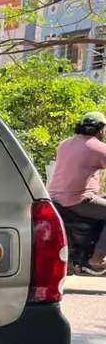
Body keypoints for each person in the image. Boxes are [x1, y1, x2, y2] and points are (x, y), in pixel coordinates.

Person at [47, 110, 106, 273]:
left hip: (54, 197)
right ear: (101, 130)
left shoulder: (65, 143)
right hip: (76, 200)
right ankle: (97, 258)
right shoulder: (98, 148)